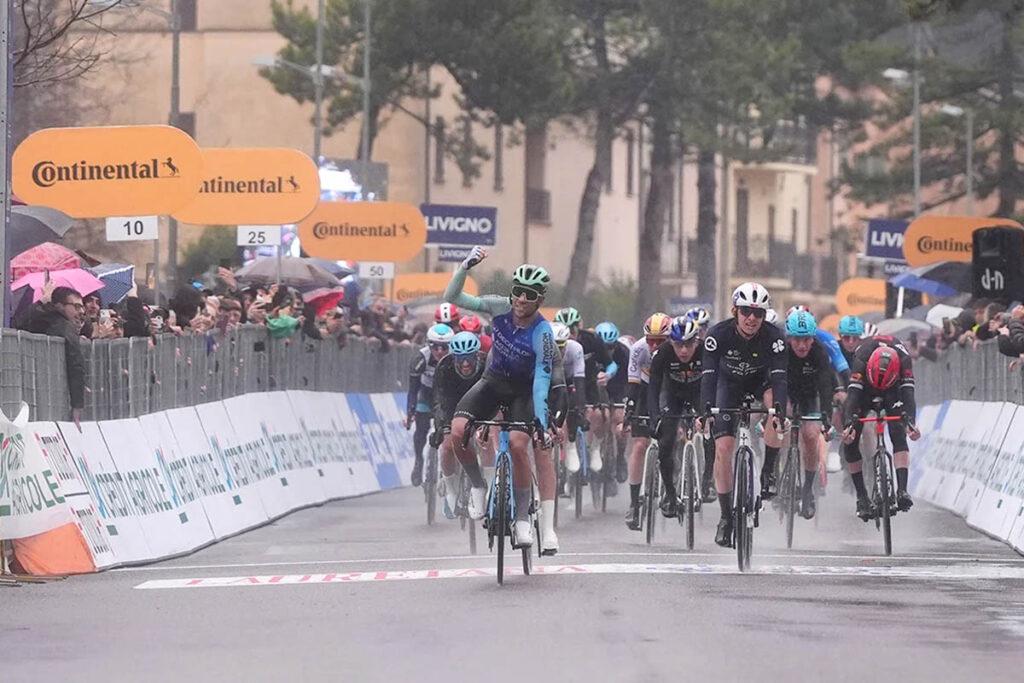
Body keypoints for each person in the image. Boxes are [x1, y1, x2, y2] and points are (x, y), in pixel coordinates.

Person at [444, 247, 556, 549]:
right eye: (518, 291)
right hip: (492, 382)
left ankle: (522, 519)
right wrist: (466, 267)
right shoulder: (498, 307)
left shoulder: (543, 332)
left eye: (530, 295)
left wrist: (542, 422)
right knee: (457, 431)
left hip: (524, 389)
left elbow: (543, 380)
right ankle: (478, 486)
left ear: (540, 300)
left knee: (520, 446)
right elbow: (453, 298)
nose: (521, 299)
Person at [701, 282, 788, 548]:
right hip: (728, 385)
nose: (752, 318)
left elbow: (780, 378)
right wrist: (705, 410)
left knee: (775, 407)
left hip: (762, 383)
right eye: (746, 312)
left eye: (758, 313)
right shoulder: (718, 335)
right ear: (734, 311)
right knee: (723, 448)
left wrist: (780, 411)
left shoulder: (775, 338)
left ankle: (769, 470)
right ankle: (726, 517)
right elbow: (708, 377)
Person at [841, 338, 921, 521]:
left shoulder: (904, 360)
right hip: (865, 390)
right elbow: (852, 397)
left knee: (898, 433)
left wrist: (911, 424)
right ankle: (862, 497)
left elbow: (908, 395)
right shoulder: (861, 358)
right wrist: (848, 426)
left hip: (893, 390)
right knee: (851, 441)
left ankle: (902, 490)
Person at [648, 318, 705, 519]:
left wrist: (708, 414)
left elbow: (715, 383)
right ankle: (671, 495)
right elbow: (653, 387)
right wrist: (654, 417)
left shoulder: (705, 351)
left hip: (700, 394)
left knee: (712, 433)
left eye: (689, 344)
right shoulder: (663, 353)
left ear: (696, 342)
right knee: (666, 442)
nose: (683, 351)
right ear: (671, 342)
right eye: (679, 345)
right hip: (673, 396)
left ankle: (706, 482)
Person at [783, 310, 837, 520]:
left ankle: (807, 491)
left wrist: (826, 418)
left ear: (813, 338)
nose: (802, 345)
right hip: (787, 393)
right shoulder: (782, 352)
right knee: (783, 423)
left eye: (807, 339)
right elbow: (772, 383)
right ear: (789, 338)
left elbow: (825, 386)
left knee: (811, 435)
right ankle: (781, 471)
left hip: (810, 395)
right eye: (797, 339)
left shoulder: (819, 353)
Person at [623, 312, 671, 529]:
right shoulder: (639, 348)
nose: (653, 346)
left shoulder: (675, 350)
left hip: (666, 388)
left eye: (659, 341)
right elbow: (632, 383)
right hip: (643, 388)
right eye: (650, 340)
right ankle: (634, 503)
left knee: (670, 438)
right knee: (640, 444)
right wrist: (629, 409)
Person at [431, 331, 487, 519]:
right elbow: (439, 401)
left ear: (477, 355)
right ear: (454, 357)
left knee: (488, 438)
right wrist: (440, 427)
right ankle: (451, 490)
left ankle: (491, 481)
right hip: (452, 406)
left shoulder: (487, 364)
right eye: (461, 359)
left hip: (481, 405)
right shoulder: (444, 366)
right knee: (447, 446)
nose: (465, 364)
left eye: (469, 359)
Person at [555, 307, 617, 473]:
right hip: (562, 381)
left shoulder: (592, 339)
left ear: (580, 325)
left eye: (573, 329)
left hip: (589, 381)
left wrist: (608, 374)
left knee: (601, 414)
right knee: (565, 414)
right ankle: (569, 445)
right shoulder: (553, 341)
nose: (569, 333)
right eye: (565, 329)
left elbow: (611, 363)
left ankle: (595, 447)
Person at [18, 285, 86, 428]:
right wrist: (77, 404)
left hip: (30, 393)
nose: (81, 311)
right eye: (76, 306)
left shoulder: (39, 318)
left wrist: (42, 301)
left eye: (82, 307)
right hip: (50, 398)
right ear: (60, 306)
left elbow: (19, 322)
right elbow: (76, 364)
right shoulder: (65, 327)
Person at [405, 323, 454, 486]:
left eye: (444, 347)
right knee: (421, 429)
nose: (440, 352)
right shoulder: (420, 358)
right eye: (436, 347)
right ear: (429, 345)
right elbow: (413, 389)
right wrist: (410, 412)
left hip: (447, 396)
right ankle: (418, 460)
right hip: (426, 395)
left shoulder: (456, 357)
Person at [596, 320, 630, 490]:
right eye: (604, 347)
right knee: (600, 419)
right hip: (597, 387)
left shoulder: (624, 353)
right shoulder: (591, 350)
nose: (608, 351)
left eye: (611, 347)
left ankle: (620, 457)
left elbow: (630, 381)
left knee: (619, 420)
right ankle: (596, 450)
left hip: (618, 387)